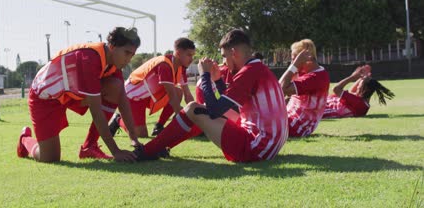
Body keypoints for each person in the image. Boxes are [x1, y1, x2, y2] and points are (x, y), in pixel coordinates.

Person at [134, 29, 289, 162]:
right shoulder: (258, 68)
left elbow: (215, 111)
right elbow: (229, 106)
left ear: (233, 53)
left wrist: (205, 75)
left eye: (224, 56)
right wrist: (218, 80)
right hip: (269, 145)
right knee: (201, 110)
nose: (223, 61)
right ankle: (161, 147)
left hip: (257, 147)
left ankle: (147, 151)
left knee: (193, 109)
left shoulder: (248, 72)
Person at [16, 27, 141, 163]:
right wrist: (116, 152)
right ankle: (25, 140)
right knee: (49, 158)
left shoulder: (113, 63)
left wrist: (134, 139)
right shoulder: (90, 58)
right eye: (126, 53)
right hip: (45, 96)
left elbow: (122, 99)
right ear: (112, 46)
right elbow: (96, 111)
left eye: (132, 55)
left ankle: (89, 147)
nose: (128, 59)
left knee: (116, 87)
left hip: (69, 94)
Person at [109, 38, 196, 138]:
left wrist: (194, 112)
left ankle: (159, 127)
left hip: (149, 96)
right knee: (141, 135)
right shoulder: (165, 65)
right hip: (132, 97)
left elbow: (188, 95)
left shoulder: (181, 68)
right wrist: (186, 122)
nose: (191, 59)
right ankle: (118, 120)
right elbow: (173, 99)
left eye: (192, 55)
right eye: (189, 55)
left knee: (178, 92)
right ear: (178, 53)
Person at [279, 39, 330, 137]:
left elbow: (280, 89)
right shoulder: (309, 72)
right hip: (290, 122)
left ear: (307, 59)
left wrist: (294, 65)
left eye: (294, 59)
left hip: (295, 126)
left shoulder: (315, 77)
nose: (292, 63)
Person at [323, 65, 395, 119]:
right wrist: (362, 76)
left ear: (364, 89)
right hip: (322, 103)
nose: (357, 85)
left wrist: (352, 77)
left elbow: (336, 89)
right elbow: (351, 91)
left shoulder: (359, 103)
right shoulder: (360, 100)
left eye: (359, 84)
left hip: (321, 108)